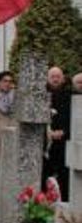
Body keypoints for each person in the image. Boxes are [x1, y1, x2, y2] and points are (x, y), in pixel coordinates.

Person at [45, 66, 72, 201]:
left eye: (58, 76)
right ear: (47, 78)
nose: (55, 79)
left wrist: (65, 132)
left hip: (64, 144)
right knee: (45, 176)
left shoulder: (70, 96)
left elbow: (75, 118)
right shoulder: (42, 95)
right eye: (52, 76)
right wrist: (48, 132)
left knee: (64, 177)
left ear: (63, 79)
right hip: (45, 144)